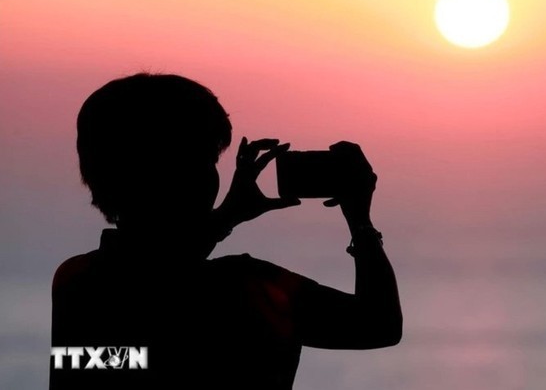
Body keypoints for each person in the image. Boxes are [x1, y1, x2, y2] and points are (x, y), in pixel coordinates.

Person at [50, 72, 402, 389]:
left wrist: (227, 217)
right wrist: (360, 221)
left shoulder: (77, 284)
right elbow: (378, 324)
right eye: (208, 161)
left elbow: (152, 294)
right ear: (189, 176)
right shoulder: (250, 288)